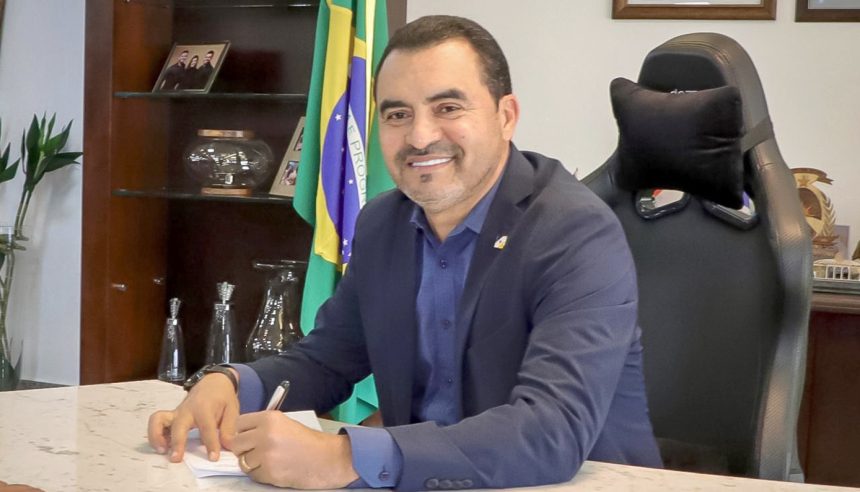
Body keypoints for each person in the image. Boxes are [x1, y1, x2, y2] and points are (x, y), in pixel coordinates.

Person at [147, 15, 662, 491]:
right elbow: (328, 360)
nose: (419, 136)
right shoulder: (383, 223)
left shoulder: (575, 232)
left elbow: (552, 431)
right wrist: (233, 384)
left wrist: (343, 456)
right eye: (397, 114)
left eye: (448, 108)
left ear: (506, 116)